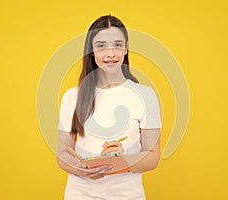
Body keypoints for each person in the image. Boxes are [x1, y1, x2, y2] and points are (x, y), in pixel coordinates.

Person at [57, 15, 162, 200]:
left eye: (117, 45)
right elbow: (63, 153)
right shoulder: (72, 96)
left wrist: (120, 160)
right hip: (80, 194)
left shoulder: (145, 96)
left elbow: (153, 157)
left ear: (126, 47)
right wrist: (80, 168)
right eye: (101, 46)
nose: (110, 53)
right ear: (91, 50)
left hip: (128, 195)